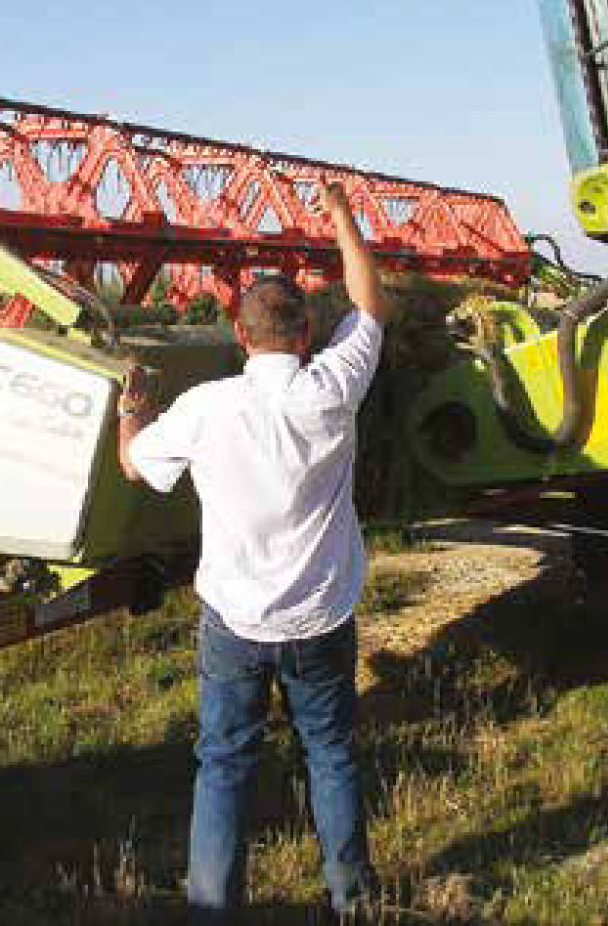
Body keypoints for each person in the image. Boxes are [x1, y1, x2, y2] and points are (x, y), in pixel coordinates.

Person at [116, 180, 387, 922]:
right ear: (305, 336)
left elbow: (135, 465)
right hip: (321, 617)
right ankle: (350, 901)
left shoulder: (206, 409)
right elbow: (368, 306)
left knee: (225, 764)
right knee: (330, 755)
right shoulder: (333, 387)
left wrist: (130, 414)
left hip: (234, 622)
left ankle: (212, 909)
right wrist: (338, 218)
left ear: (240, 338)